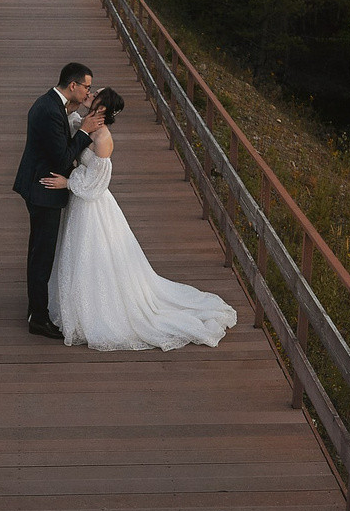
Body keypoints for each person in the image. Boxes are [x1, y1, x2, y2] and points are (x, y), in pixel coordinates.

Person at [47, 87, 238, 350]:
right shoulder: (87, 125)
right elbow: (72, 129)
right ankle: (76, 304)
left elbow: (96, 184)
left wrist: (67, 182)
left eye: (95, 94)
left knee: (92, 256)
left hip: (91, 205)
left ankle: (96, 310)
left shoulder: (103, 138)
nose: (90, 94)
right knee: (79, 255)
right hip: (80, 204)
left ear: (102, 108)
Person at [11, 62, 106, 338]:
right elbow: (63, 159)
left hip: (39, 186)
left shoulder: (53, 104)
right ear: (73, 85)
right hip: (44, 191)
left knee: (38, 253)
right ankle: (38, 319)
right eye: (86, 86)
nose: (89, 91)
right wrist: (85, 131)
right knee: (42, 256)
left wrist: (77, 113)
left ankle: (35, 309)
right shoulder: (51, 112)